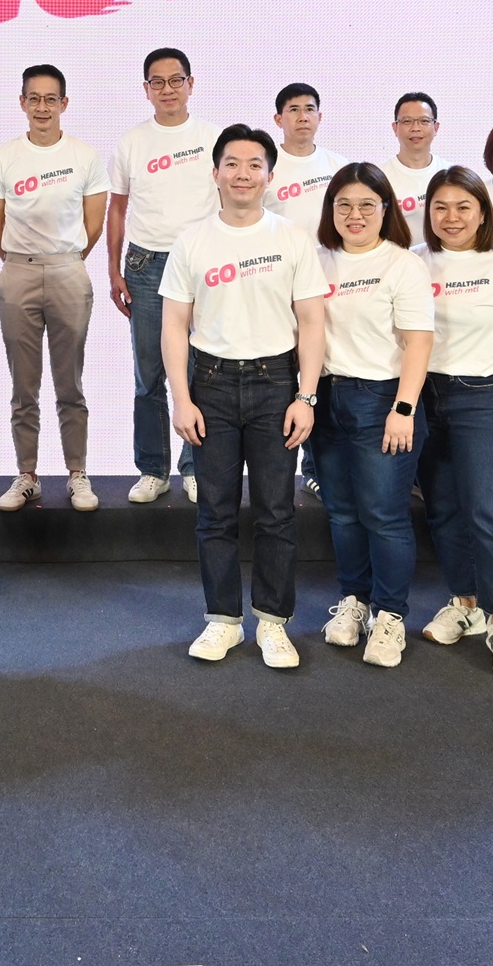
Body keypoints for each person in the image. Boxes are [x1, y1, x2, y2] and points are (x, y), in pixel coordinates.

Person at [161, 124, 327, 668]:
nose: (242, 174)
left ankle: (273, 623)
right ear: (215, 173)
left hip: (276, 385)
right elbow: (174, 325)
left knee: (276, 510)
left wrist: (306, 396)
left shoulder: (291, 238)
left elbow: (311, 321)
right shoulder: (192, 241)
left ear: (270, 176)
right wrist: (181, 398)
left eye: (254, 165)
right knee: (215, 510)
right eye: (232, 164)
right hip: (209, 384)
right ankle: (223, 621)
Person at [415, 167, 493, 678]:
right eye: (441, 207)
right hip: (424, 397)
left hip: (484, 398)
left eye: (464, 206)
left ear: (484, 212)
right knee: (443, 509)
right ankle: (465, 602)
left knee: (488, 510)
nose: (452, 217)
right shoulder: (413, 263)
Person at [307, 162, 433, 670]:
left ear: (386, 209)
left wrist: (404, 408)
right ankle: (354, 600)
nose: (354, 215)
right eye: (344, 205)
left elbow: (419, 342)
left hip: (382, 399)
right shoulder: (316, 260)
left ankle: (390, 615)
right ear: (330, 209)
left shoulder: (403, 264)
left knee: (384, 514)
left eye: (366, 205)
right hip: (327, 397)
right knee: (341, 511)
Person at [0, 64, 110, 512]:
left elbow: (94, 223)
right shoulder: (3, 158)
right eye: (33, 98)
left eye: (50, 99)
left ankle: (77, 473)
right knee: (24, 385)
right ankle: (27, 474)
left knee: (70, 382)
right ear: (22, 103)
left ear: (64, 104)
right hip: (17, 272)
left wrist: (63, 259)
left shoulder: (85, 156)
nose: (42, 107)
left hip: (68, 271)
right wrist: (24, 262)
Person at [108, 48, 217, 504]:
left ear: (191, 84)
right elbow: (118, 208)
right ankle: (153, 470)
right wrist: (113, 268)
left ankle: (195, 467)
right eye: (158, 82)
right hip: (146, 265)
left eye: (176, 80)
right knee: (149, 374)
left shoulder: (212, 138)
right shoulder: (132, 142)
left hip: (202, 265)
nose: (168, 89)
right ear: (146, 89)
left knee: (200, 373)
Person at [265, 83, 342, 235]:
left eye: (309, 109)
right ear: (278, 120)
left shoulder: (339, 165)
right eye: (294, 110)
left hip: (329, 249)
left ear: (319, 117)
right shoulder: (264, 167)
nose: (303, 118)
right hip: (281, 248)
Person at [374, 92, 456, 234]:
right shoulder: (378, 177)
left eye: (424, 121)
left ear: (436, 127)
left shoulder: (451, 174)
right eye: (407, 121)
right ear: (395, 127)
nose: (415, 128)